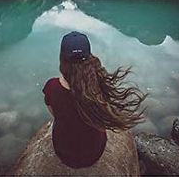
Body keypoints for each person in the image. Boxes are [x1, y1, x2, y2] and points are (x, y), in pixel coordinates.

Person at [42, 31, 145, 170]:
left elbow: (53, 113)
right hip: (94, 153)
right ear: (89, 56)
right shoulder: (98, 84)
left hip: (64, 153)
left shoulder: (52, 86)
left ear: (62, 58)